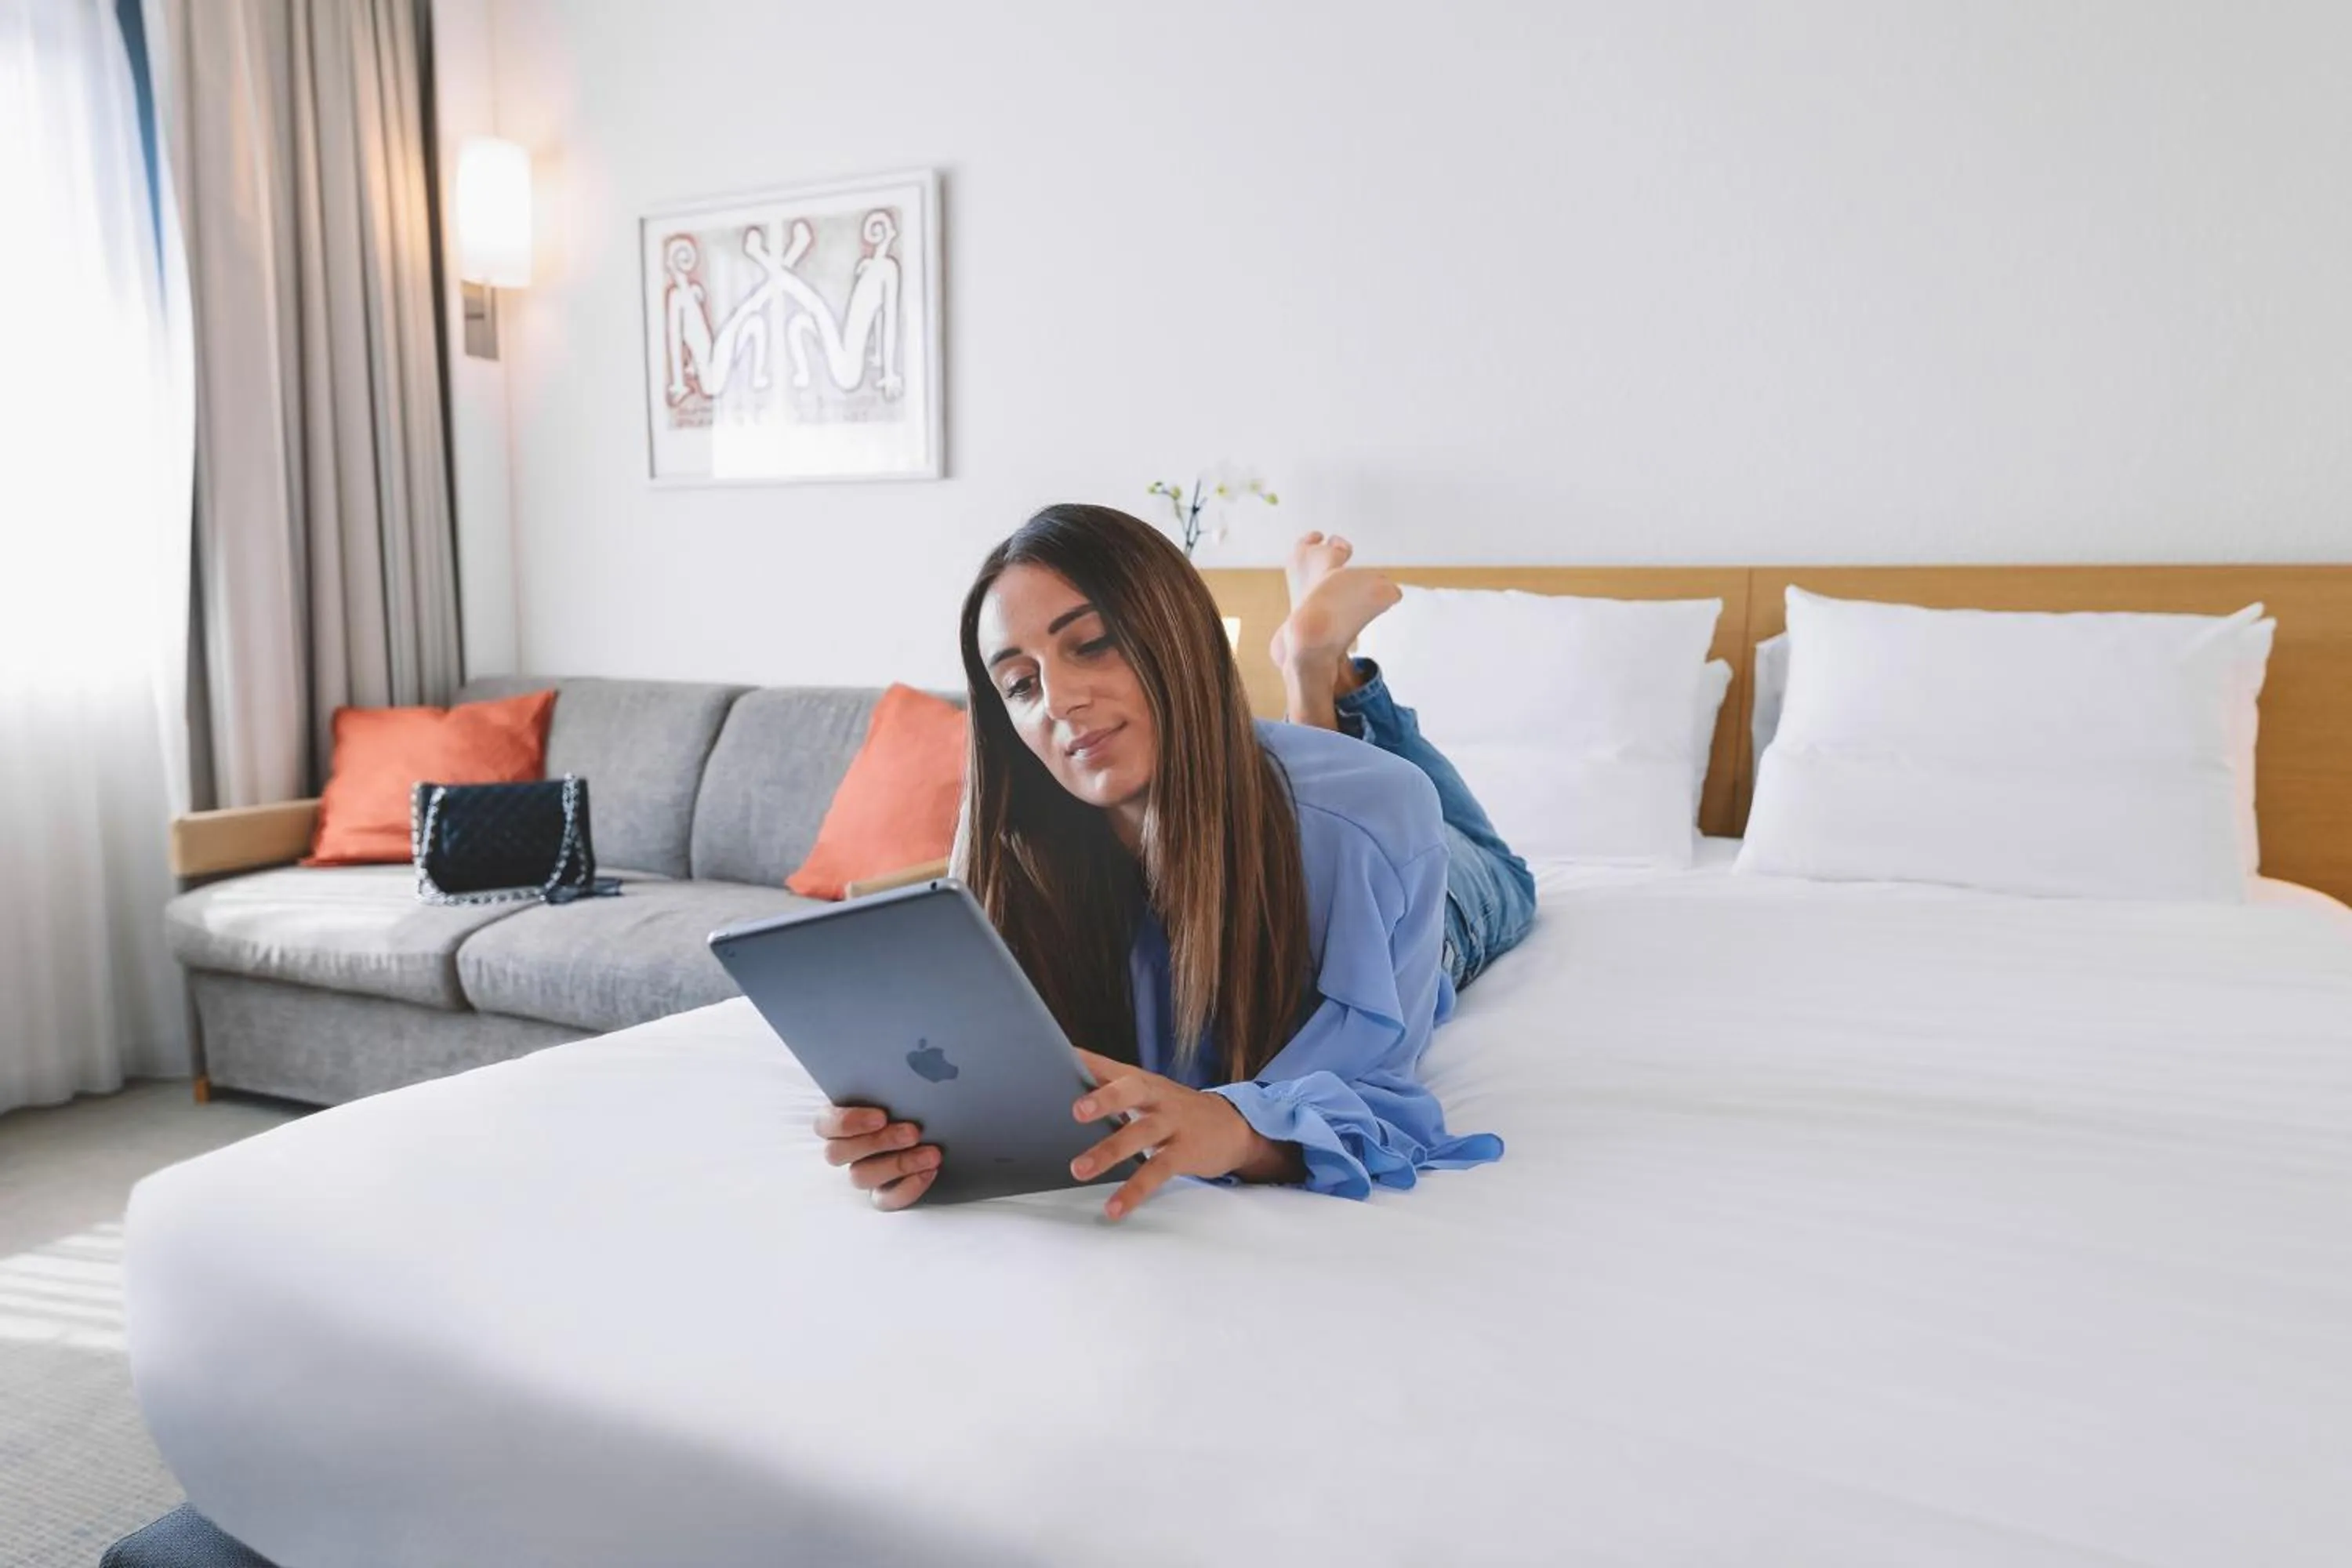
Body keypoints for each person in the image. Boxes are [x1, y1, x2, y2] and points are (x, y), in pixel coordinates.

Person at [814, 505, 1536, 1218]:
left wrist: (1234, 1130)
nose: (1059, 700)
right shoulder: (1008, 845)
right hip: (1280, 798)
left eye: (1091, 644)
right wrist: (917, 1137)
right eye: (1021, 685)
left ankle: (1325, 670)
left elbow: (1376, 1088)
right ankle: (1308, 680)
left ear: (1178, 636)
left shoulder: (1377, 818)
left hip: (1426, 895)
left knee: (1499, 872)